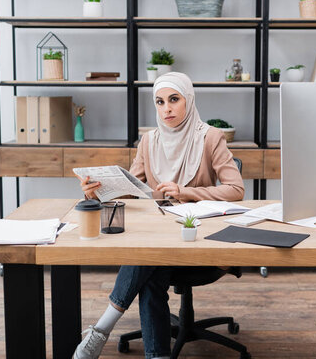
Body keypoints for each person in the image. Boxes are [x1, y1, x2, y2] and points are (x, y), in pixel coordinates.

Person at [73, 72, 244, 359]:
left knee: (148, 260)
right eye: (160, 101)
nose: (167, 108)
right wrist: (98, 192)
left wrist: (187, 192)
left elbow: (236, 190)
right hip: (160, 243)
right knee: (151, 266)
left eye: (174, 100)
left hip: (198, 242)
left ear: (188, 100)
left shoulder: (211, 138)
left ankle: (102, 327)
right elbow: (132, 189)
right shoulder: (149, 141)